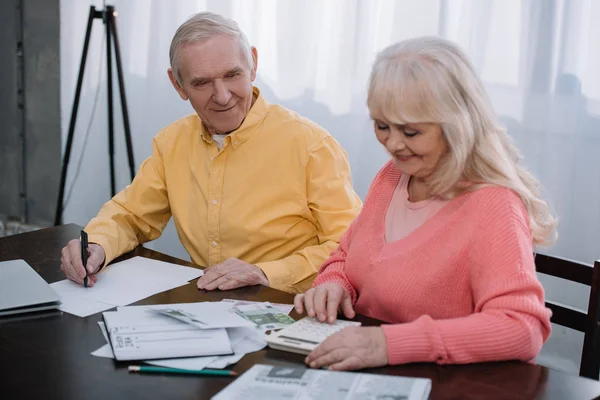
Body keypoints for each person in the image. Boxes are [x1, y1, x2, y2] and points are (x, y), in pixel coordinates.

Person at [294, 37, 556, 370]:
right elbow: (346, 255)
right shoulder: (392, 175)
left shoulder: (494, 204)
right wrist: (333, 284)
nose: (393, 144)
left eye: (411, 132)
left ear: (456, 125)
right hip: (367, 369)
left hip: (447, 382)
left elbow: (521, 329)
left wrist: (389, 344)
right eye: (382, 126)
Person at [59, 12, 361, 294]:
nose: (222, 96)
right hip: (209, 308)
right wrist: (96, 244)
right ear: (178, 85)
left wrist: (266, 273)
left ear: (253, 64)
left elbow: (350, 248)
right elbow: (131, 215)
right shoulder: (172, 142)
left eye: (232, 75)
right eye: (202, 82)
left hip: (292, 308)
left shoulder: (312, 145)